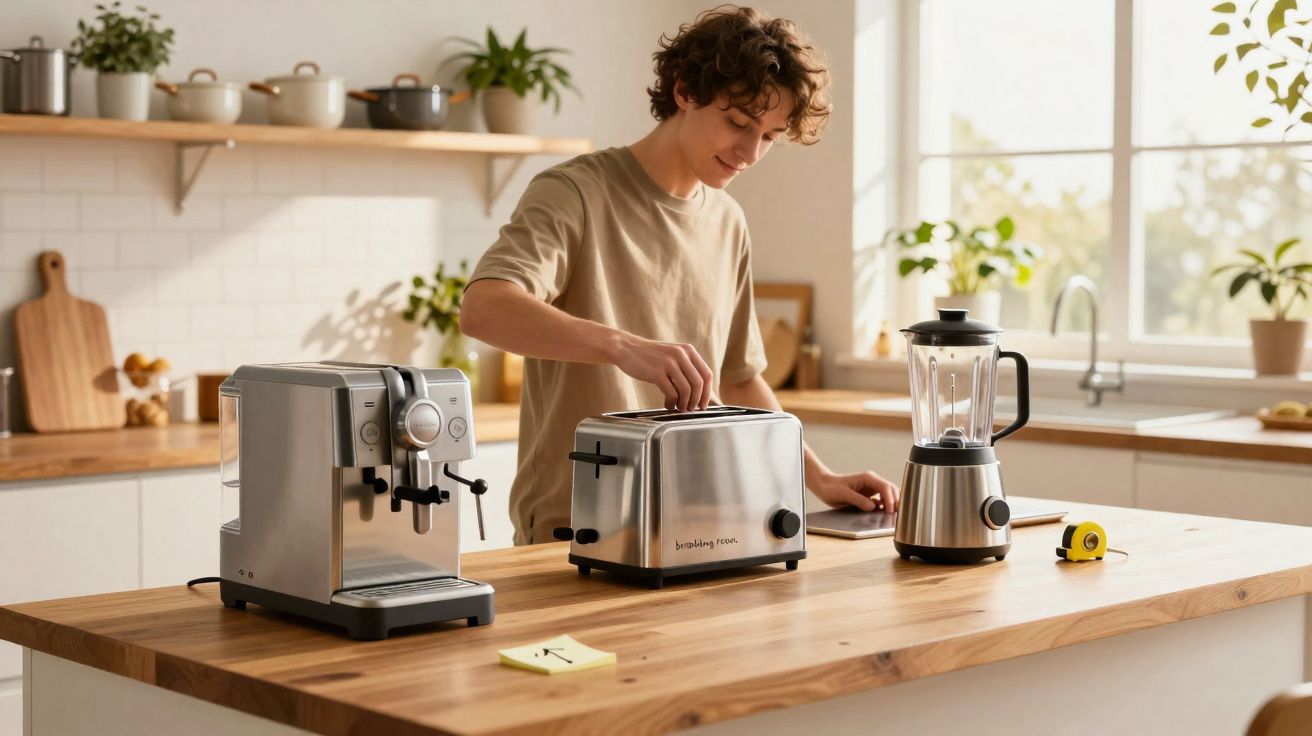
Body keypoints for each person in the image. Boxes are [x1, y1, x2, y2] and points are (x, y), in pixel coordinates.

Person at [461, 5, 899, 545]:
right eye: (738, 123)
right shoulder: (575, 192)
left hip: (697, 528)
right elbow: (484, 308)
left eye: (769, 136)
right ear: (684, 90)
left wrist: (819, 477)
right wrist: (625, 347)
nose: (750, 153)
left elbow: (738, 378)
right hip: (575, 532)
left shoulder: (728, 221)